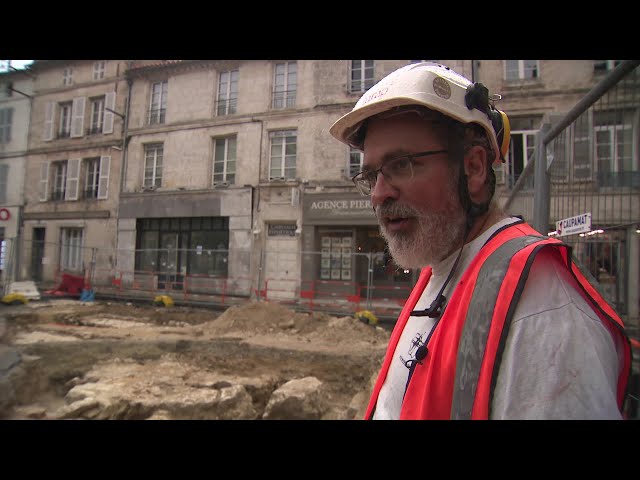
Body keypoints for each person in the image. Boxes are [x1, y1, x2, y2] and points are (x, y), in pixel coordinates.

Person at [329, 62, 632, 420]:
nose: (379, 193)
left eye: (402, 165)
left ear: (473, 167)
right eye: (371, 175)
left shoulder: (544, 310)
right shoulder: (443, 267)